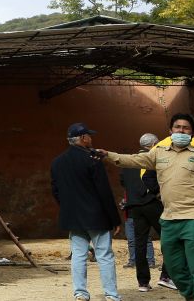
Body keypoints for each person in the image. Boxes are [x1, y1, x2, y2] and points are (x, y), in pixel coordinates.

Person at [101, 113, 194, 301]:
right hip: (168, 219)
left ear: (192, 133)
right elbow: (134, 160)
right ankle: (192, 296)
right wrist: (108, 155)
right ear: (170, 130)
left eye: (186, 128)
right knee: (175, 269)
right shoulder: (158, 153)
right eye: (177, 127)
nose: (181, 131)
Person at [50, 122, 122, 301]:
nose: (91, 138)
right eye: (89, 135)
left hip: (73, 217)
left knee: (79, 255)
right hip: (96, 216)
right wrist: (115, 219)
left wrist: (68, 208)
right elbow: (104, 191)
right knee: (104, 255)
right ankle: (111, 295)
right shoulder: (93, 159)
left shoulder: (57, 162)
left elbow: (56, 191)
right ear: (83, 138)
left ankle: (80, 292)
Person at [120, 133, 176, 292]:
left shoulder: (129, 162)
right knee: (170, 238)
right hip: (152, 204)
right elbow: (158, 182)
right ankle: (166, 276)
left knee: (140, 243)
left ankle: (143, 282)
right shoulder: (153, 159)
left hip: (134, 208)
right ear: (153, 145)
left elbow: (124, 183)